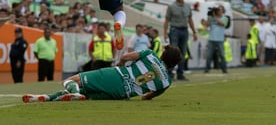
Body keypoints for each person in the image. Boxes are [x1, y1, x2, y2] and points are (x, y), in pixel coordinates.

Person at [22, 45, 182, 103]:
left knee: (71, 80)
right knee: (83, 93)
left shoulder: (150, 54)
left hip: (116, 75)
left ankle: (75, 93)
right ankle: (43, 98)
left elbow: (125, 57)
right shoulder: (167, 82)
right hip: (121, 94)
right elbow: (146, 96)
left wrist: (119, 66)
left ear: (164, 54)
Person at [163, 0, 198, 81]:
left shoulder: (187, 6)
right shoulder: (171, 6)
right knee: (173, 52)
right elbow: (167, 20)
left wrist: (194, 32)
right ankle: (170, 73)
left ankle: (180, 73)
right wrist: (165, 33)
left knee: (183, 53)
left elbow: (190, 19)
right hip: (174, 30)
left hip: (184, 30)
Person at [204, 5, 228, 74]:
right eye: (217, 10)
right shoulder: (211, 18)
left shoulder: (225, 18)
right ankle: (207, 69)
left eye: (219, 10)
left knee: (222, 55)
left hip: (220, 39)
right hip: (211, 39)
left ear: (222, 11)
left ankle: (224, 69)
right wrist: (209, 16)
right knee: (209, 55)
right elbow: (207, 25)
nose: (218, 11)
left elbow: (222, 24)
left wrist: (214, 17)